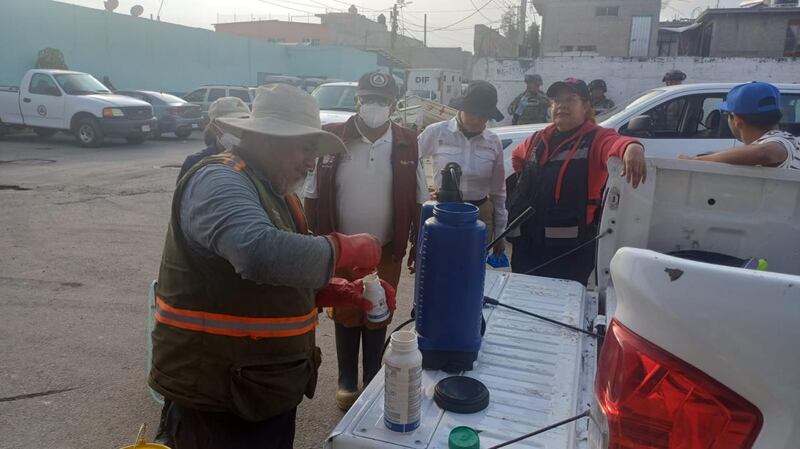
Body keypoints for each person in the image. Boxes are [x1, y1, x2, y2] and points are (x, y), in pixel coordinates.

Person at [149, 84, 396, 449]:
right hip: (217, 399)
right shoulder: (219, 179)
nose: (312, 161)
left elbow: (272, 276)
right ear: (268, 139)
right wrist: (344, 249)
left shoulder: (275, 189)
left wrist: (335, 289)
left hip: (260, 389)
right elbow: (257, 252)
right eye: (306, 147)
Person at [304, 71, 428, 411]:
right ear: (357, 101)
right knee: (345, 309)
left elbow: (418, 197)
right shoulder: (332, 137)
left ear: (393, 105)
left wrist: (418, 243)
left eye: (383, 101)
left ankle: (372, 374)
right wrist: (311, 239)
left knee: (378, 309)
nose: (375, 107)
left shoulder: (407, 140)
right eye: (368, 100)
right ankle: (346, 378)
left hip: (387, 248)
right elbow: (312, 194)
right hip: (341, 249)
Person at [507, 78, 647, 285]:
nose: (562, 105)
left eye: (571, 99)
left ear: (586, 106)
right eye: (556, 100)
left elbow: (614, 143)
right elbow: (517, 158)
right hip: (526, 244)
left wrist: (632, 147)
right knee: (521, 298)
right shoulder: (538, 138)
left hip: (568, 252)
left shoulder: (596, 138)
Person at [419, 80, 508, 255]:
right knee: (439, 265)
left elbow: (498, 192)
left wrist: (500, 232)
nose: (476, 119)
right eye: (472, 112)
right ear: (461, 108)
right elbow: (410, 163)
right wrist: (423, 193)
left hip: (479, 216)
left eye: (483, 115)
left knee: (472, 270)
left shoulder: (493, 142)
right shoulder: (436, 132)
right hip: (442, 213)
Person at [680, 82, 799, 169]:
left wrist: (696, 161)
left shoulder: (782, 142)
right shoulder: (788, 139)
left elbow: (765, 153)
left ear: (736, 119)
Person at [177, 96, 251, 181]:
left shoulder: (256, 159)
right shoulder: (195, 162)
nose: (239, 129)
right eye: (231, 124)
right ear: (214, 128)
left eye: (244, 123)